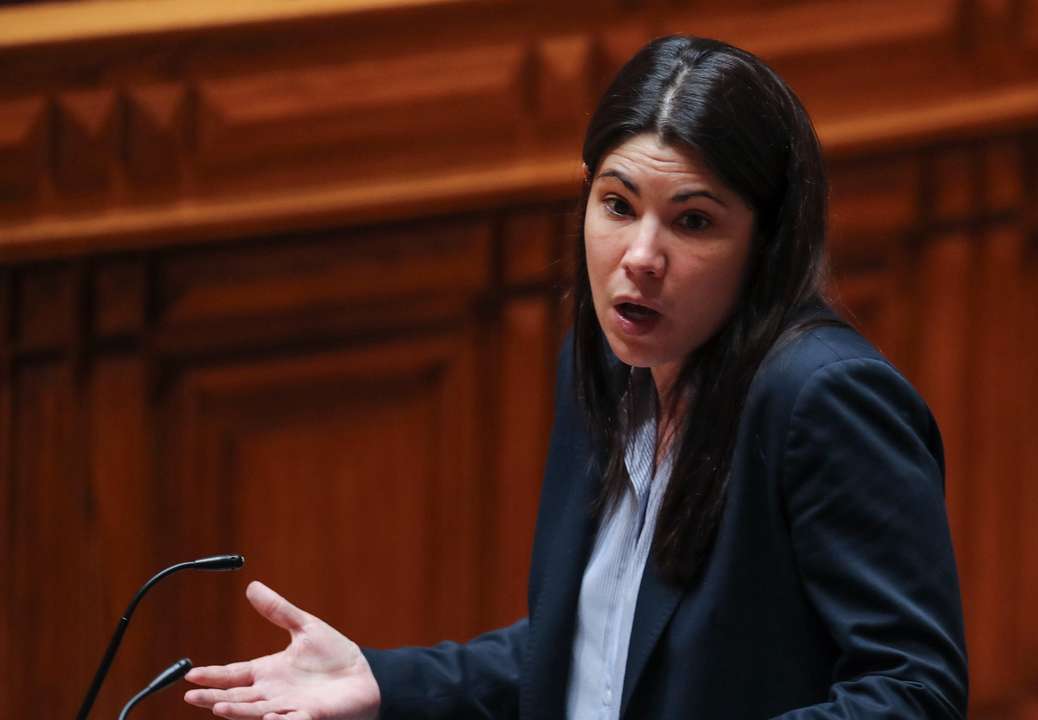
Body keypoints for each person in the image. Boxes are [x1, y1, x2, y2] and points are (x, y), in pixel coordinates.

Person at [183, 34, 968, 720]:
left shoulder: (822, 399)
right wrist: (385, 681)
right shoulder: (603, 367)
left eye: (692, 221)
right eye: (618, 204)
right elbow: (598, 654)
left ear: (764, 245)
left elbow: (914, 689)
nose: (640, 257)